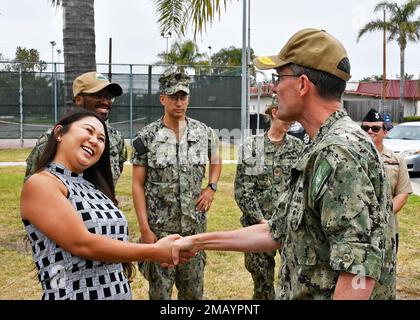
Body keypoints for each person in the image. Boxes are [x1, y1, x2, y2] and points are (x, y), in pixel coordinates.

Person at [172, 28, 397, 300]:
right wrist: (196, 242)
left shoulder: (340, 152)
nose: (274, 87)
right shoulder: (319, 146)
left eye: (279, 77)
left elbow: (358, 272)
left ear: (302, 85)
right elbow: (275, 230)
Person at [21, 109, 193, 300]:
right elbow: (83, 244)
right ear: (60, 133)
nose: (95, 140)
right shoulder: (41, 183)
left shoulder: (93, 188)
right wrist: (154, 251)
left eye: (101, 139)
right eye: (88, 130)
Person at [131, 66, 222, 300]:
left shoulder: (203, 132)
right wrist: (145, 230)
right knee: (160, 295)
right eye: (173, 97)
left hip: (193, 230)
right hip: (161, 232)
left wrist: (211, 187)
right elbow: (137, 185)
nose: (179, 102)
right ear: (162, 98)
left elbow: (216, 160)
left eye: (183, 96)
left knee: (193, 294)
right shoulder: (147, 137)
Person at [234, 102, 303, 299]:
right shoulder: (252, 147)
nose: (292, 122)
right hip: (259, 227)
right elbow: (243, 190)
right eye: (289, 116)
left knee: (294, 281)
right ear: (274, 112)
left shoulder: (298, 148)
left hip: (290, 227)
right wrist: (262, 221)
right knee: (262, 284)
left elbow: (301, 188)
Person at [25, 71, 127, 187]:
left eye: (109, 97)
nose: (105, 102)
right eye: (98, 96)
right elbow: (32, 184)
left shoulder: (116, 138)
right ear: (78, 100)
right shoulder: (54, 136)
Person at [361, 108, 413, 251]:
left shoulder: (396, 160)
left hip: (387, 229)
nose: (370, 131)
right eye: (365, 128)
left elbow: (402, 194)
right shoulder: (351, 158)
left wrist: (381, 217)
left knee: (386, 270)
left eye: (375, 128)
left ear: (385, 132)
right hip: (357, 232)